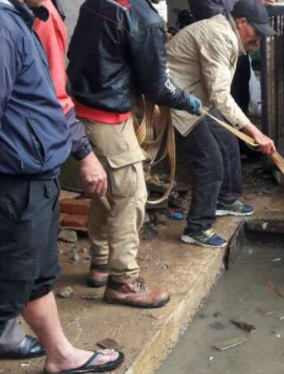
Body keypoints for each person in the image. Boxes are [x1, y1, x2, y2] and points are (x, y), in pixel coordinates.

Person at [0, 1, 123, 373]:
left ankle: (61, 356)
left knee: (36, 279)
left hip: (32, 184)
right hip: (8, 190)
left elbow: (46, 99)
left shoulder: (20, 20)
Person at [67, 0, 202, 308]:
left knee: (107, 192)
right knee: (131, 195)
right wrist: (186, 101)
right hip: (107, 118)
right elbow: (158, 87)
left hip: (80, 109)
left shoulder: (96, 2)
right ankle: (124, 282)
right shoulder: (143, 18)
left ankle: (101, 263)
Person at [167, 0, 277, 248]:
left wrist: (244, 128)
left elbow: (217, 94)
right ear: (241, 22)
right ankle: (197, 227)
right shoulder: (219, 36)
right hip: (179, 102)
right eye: (256, 32)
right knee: (210, 161)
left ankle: (225, 200)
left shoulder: (228, 34)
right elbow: (220, 96)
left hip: (196, 98)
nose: (258, 40)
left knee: (228, 140)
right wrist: (255, 130)